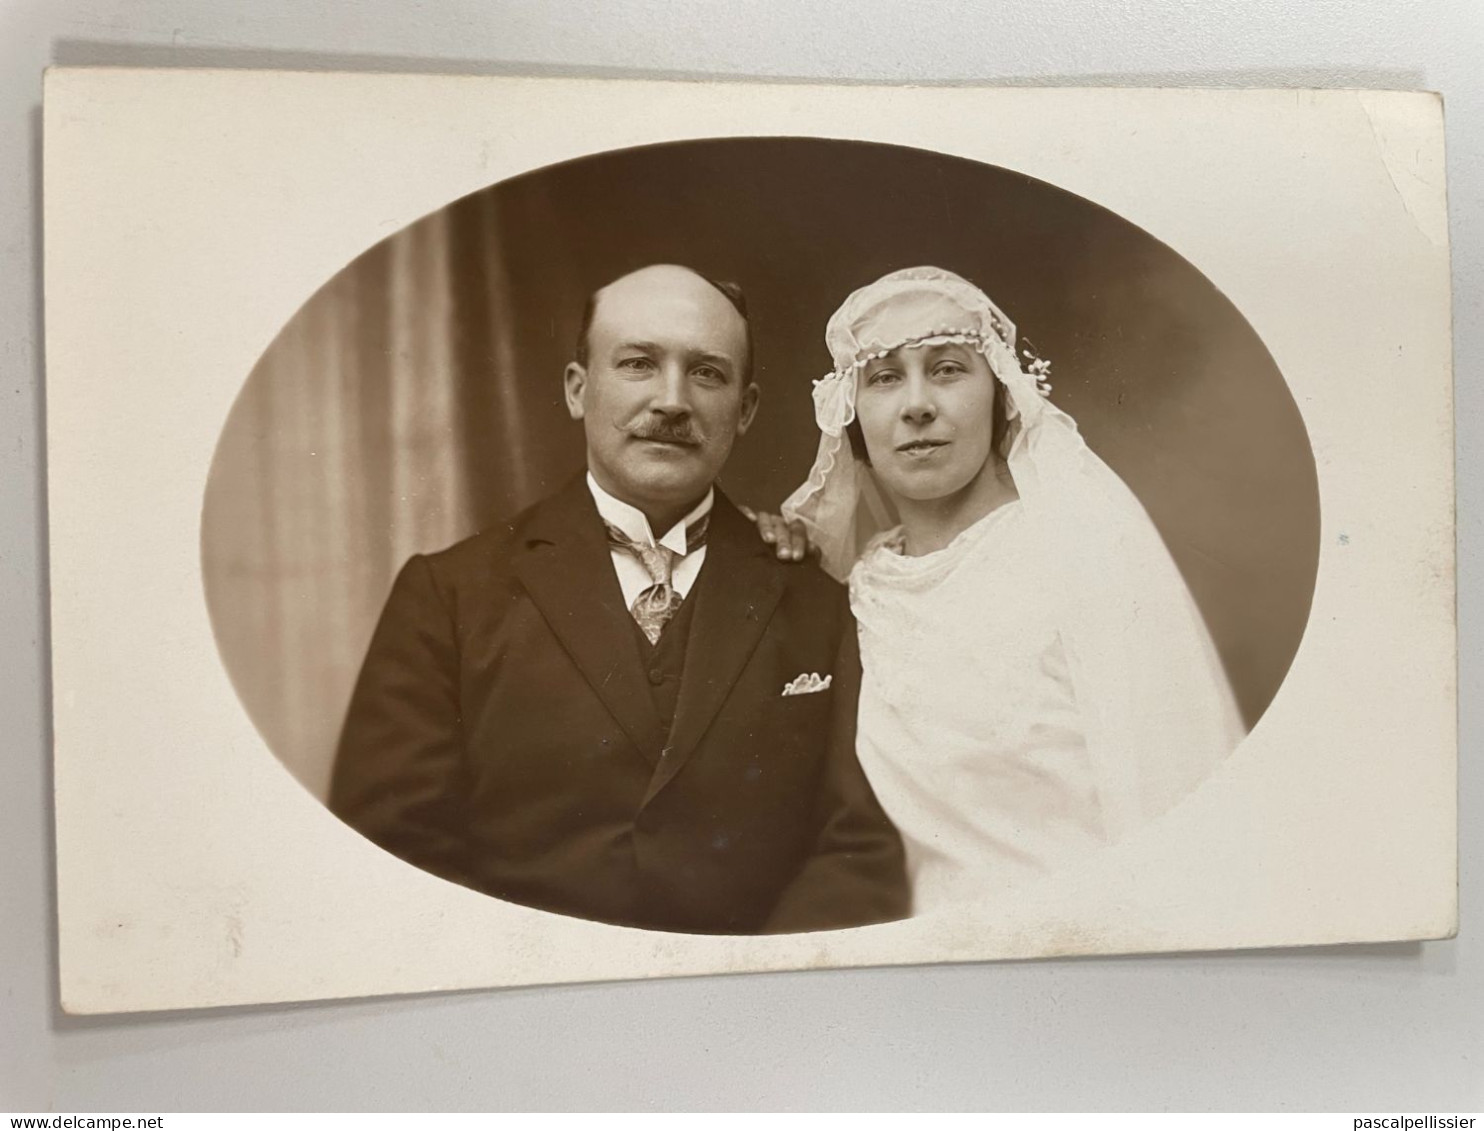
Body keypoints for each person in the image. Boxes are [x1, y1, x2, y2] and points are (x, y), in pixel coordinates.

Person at [329, 263, 909, 935]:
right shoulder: (449, 595)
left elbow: (857, 848)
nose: (671, 400)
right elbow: (391, 851)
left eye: (707, 373)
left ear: (745, 410)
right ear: (579, 389)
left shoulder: (818, 600)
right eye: (638, 363)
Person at [768, 266, 1245, 914]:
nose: (916, 404)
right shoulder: (856, 587)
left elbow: (1183, 790)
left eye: (946, 369)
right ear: (853, 414)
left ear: (1000, 394)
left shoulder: (1080, 548)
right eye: (884, 376)